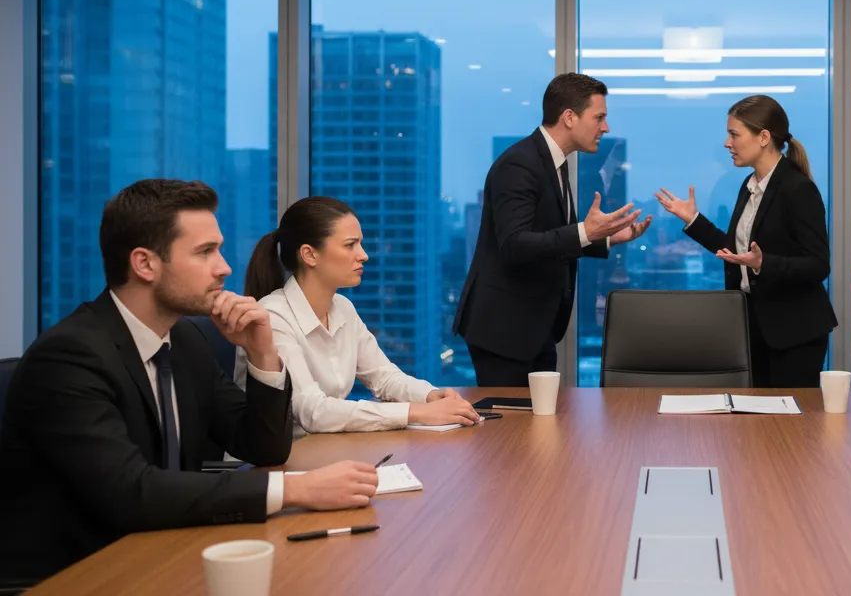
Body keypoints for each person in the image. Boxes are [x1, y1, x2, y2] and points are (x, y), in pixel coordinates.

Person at [0, 180, 382, 585]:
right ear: (145, 264)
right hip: (80, 575)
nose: (225, 267)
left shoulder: (183, 341)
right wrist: (296, 490)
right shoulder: (69, 357)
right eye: (205, 252)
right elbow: (131, 493)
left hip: (161, 553)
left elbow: (262, 446)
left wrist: (263, 354)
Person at [454, 73, 652, 386]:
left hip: (535, 328)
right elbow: (514, 245)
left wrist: (606, 238)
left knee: (538, 430)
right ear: (569, 117)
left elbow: (550, 239)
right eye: (599, 117)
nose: (606, 128)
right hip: (505, 331)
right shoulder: (519, 164)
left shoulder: (554, 163)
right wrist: (585, 232)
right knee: (509, 432)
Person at [242, 196, 480, 437]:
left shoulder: (342, 308)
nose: (364, 255)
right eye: (350, 245)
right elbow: (312, 411)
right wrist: (416, 413)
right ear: (309, 255)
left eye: (361, 244)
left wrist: (431, 396)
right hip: (277, 465)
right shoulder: (273, 316)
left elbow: (384, 378)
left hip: (324, 450)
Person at [656, 95, 837, 387]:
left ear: (763, 137)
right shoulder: (750, 185)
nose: (727, 143)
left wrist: (765, 263)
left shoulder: (797, 189)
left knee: (785, 429)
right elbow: (737, 251)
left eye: (734, 134)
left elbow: (818, 265)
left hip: (793, 334)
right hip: (753, 327)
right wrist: (693, 220)